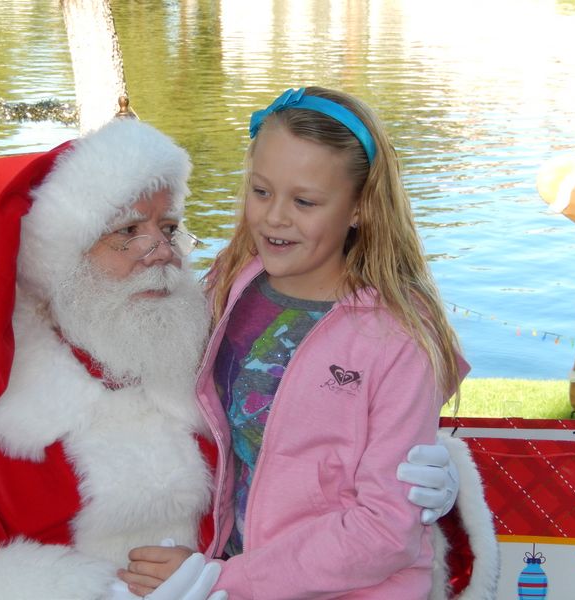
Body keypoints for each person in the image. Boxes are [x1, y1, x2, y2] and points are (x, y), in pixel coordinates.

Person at [0, 116, 461, 600]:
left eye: (168, 228)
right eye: (126, 232)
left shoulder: (201, 328)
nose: (159, 251)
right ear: (60, 261)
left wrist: (416, 476)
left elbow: (315, 423)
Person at [121, 88, 491, 599]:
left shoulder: (399, 336)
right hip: (225, 572)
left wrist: (225, 582)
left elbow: (386, 530)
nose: (274, 217)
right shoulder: (232, 282)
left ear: (360, 208)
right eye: (261, 191)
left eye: (304, 201)